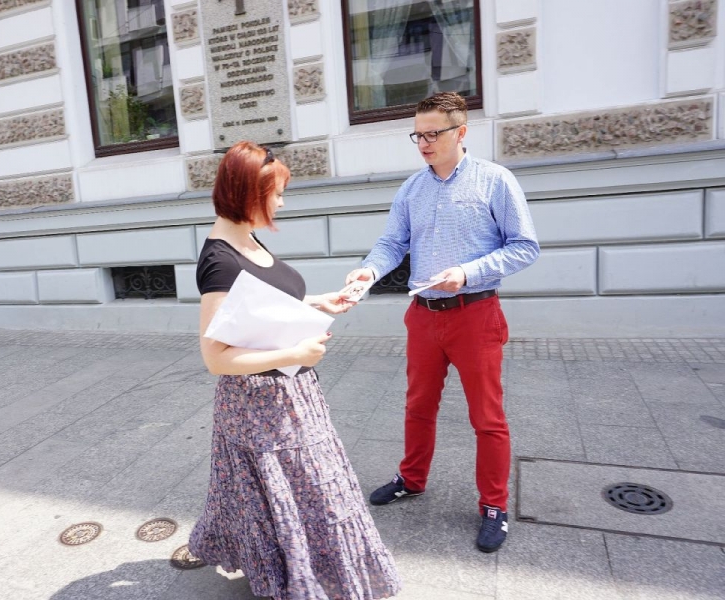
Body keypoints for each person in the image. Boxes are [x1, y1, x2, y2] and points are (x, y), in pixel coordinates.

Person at [188, 141, 401, 599]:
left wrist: (318, 301)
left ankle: (308, 574)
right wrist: (293, 354)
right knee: (310, 494)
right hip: (259, 408)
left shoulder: (245, 236)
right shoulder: (219, 261)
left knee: (303, 494)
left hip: (291, 396)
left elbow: (260, 307)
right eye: (277, 194)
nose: (282, 203)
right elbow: (215, 358)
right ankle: (303, 580)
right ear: (249, 194)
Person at [345, 92, 539, 553]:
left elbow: (524, 246)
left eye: (433, 133)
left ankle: (494, 506)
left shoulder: (495, 180)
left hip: (475, 314)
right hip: (424, 316)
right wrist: (368, 272)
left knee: (487, 417)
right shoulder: (413, 188)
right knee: (417, 405)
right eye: (418, 135)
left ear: (461, 132)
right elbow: (392, 243)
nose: (424, 143)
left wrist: (468, 273)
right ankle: (411, 479)